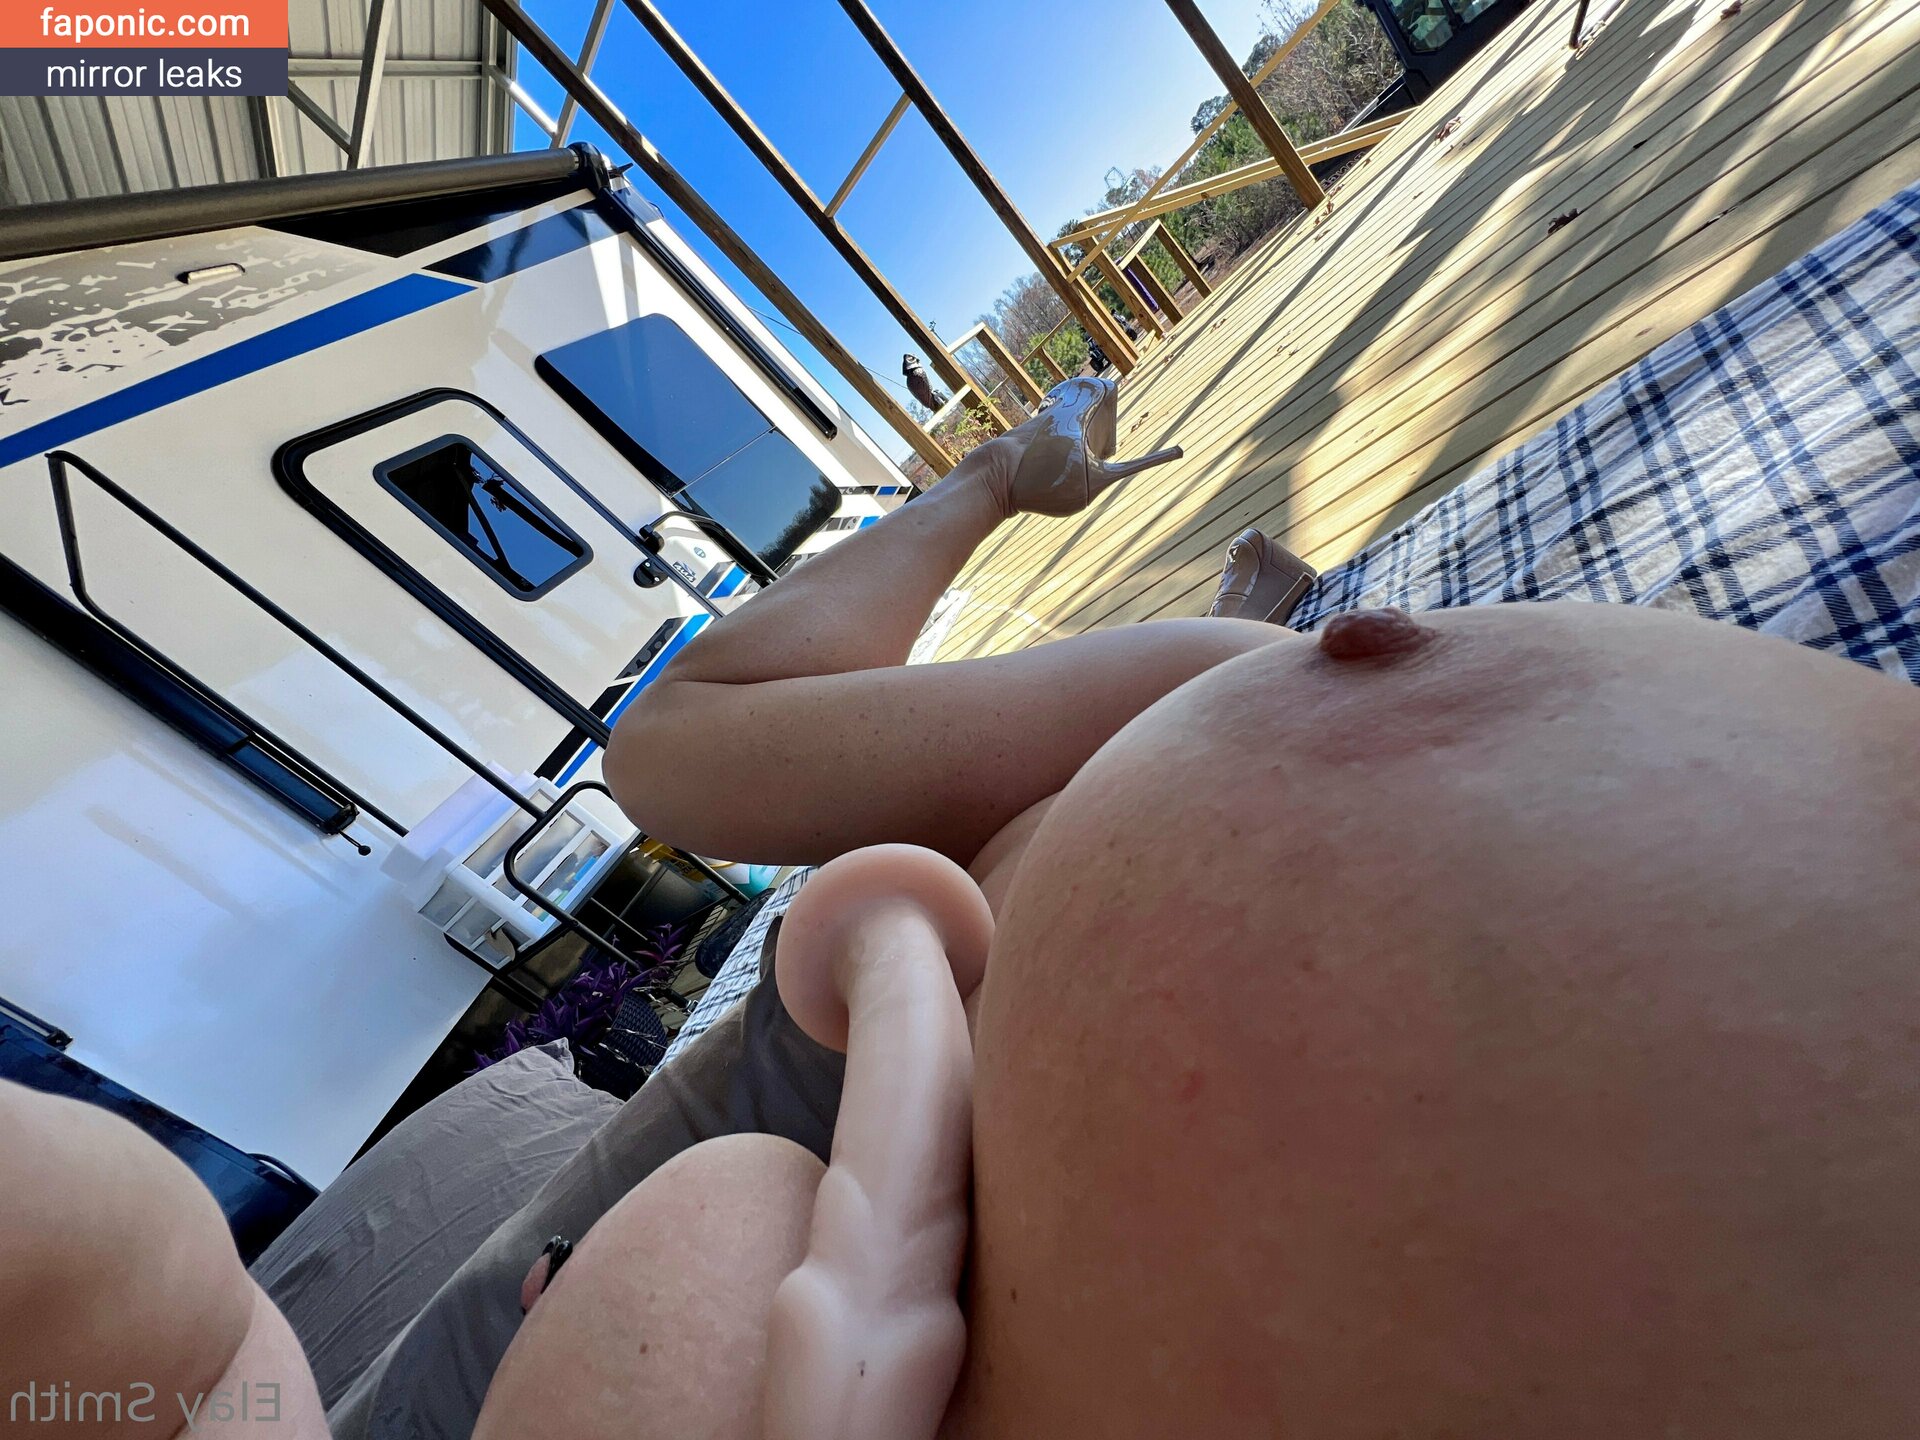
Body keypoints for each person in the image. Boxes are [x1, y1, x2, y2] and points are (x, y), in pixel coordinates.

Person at [6, 378, 1919, 1438]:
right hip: (1015, 959)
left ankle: (1124, 595)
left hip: (892, 1060)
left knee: (112, 1271)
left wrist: (1001, 489)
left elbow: (678, 754)